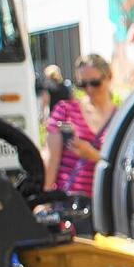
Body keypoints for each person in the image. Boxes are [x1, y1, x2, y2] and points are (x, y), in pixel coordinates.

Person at [44, 53, 118, 197]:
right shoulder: (65, 110)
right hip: (71, 202)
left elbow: (122, 165)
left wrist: (94, 155)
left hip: (106, 202)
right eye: (82, 84)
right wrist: (45, 199)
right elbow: (51, 159)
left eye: (95, 83)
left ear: (109, 76)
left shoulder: (120, 117)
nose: (89, 89)